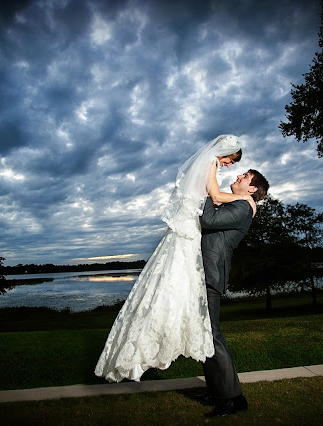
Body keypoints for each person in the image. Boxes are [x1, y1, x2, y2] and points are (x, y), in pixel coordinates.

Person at [95, 135, 252, 383]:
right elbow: (216, 198)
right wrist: (245, 198)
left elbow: (212, 200)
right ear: (225, 152)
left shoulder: (208, 164)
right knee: (184, 306)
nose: (229, 167)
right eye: (230, 162)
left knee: (172, 297)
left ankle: (155, 353)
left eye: (231, 165)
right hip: (189, 233)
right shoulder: (210, 164)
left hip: (188, 233)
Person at [196, 169, 269, 418]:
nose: (238, 176)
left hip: (211, 273)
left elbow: (209, 221)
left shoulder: (244, 207)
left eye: (245, 177)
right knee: (203, 334)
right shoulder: (238, 202)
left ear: (252, 189)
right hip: (204, 272)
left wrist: (206, 190)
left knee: (212, 333)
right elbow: (216, 205)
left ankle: (232, 398)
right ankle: (216, 389)